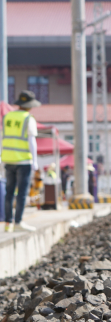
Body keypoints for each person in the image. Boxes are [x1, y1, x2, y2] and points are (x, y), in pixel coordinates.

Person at [3, 91, 42, 232]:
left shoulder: (7, 116)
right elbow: (32, 141)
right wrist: (35, 161)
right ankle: (18, 222)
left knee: (9, 192)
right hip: (24, 161)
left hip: (8, 159)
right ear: (30, 106)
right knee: (22, 193)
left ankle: (8, 223)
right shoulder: (28, 118)